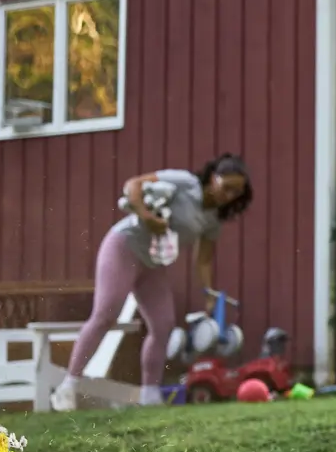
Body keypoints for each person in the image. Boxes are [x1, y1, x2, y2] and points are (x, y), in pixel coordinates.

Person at [51, 154, 253, 411]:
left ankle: (150, 393)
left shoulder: (213, 219)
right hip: (124, 247)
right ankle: (69, 386)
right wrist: (146, 216)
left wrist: (209, 293)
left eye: (237, 192)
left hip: (153, 264)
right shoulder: (185, 182)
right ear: (214, 179)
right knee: (105, 314)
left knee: (163, 325)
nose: (230, 195)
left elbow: (203, 260)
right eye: (227, 187)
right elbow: (133, 184)